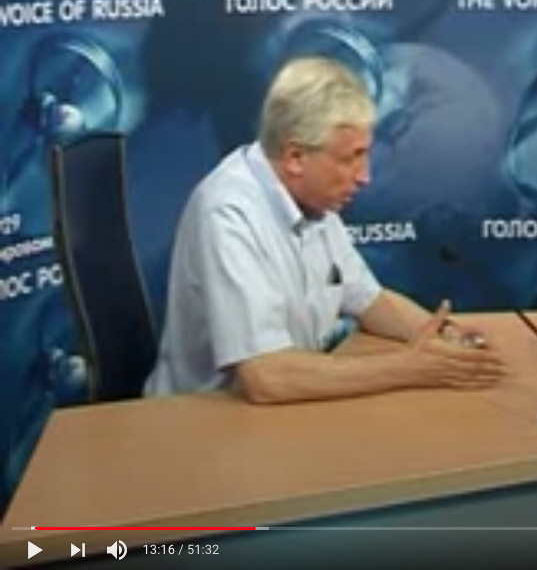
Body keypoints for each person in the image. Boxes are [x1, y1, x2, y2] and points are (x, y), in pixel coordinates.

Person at [144, 57, 505, 402]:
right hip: (204, 417)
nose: (365, 177)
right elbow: (266, 376)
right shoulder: (228, 212)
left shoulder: (315, 200)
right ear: (295, 158)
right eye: (351, 158)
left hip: (287, 404)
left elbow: (371, 301)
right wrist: (412, 368)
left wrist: (445, 337)